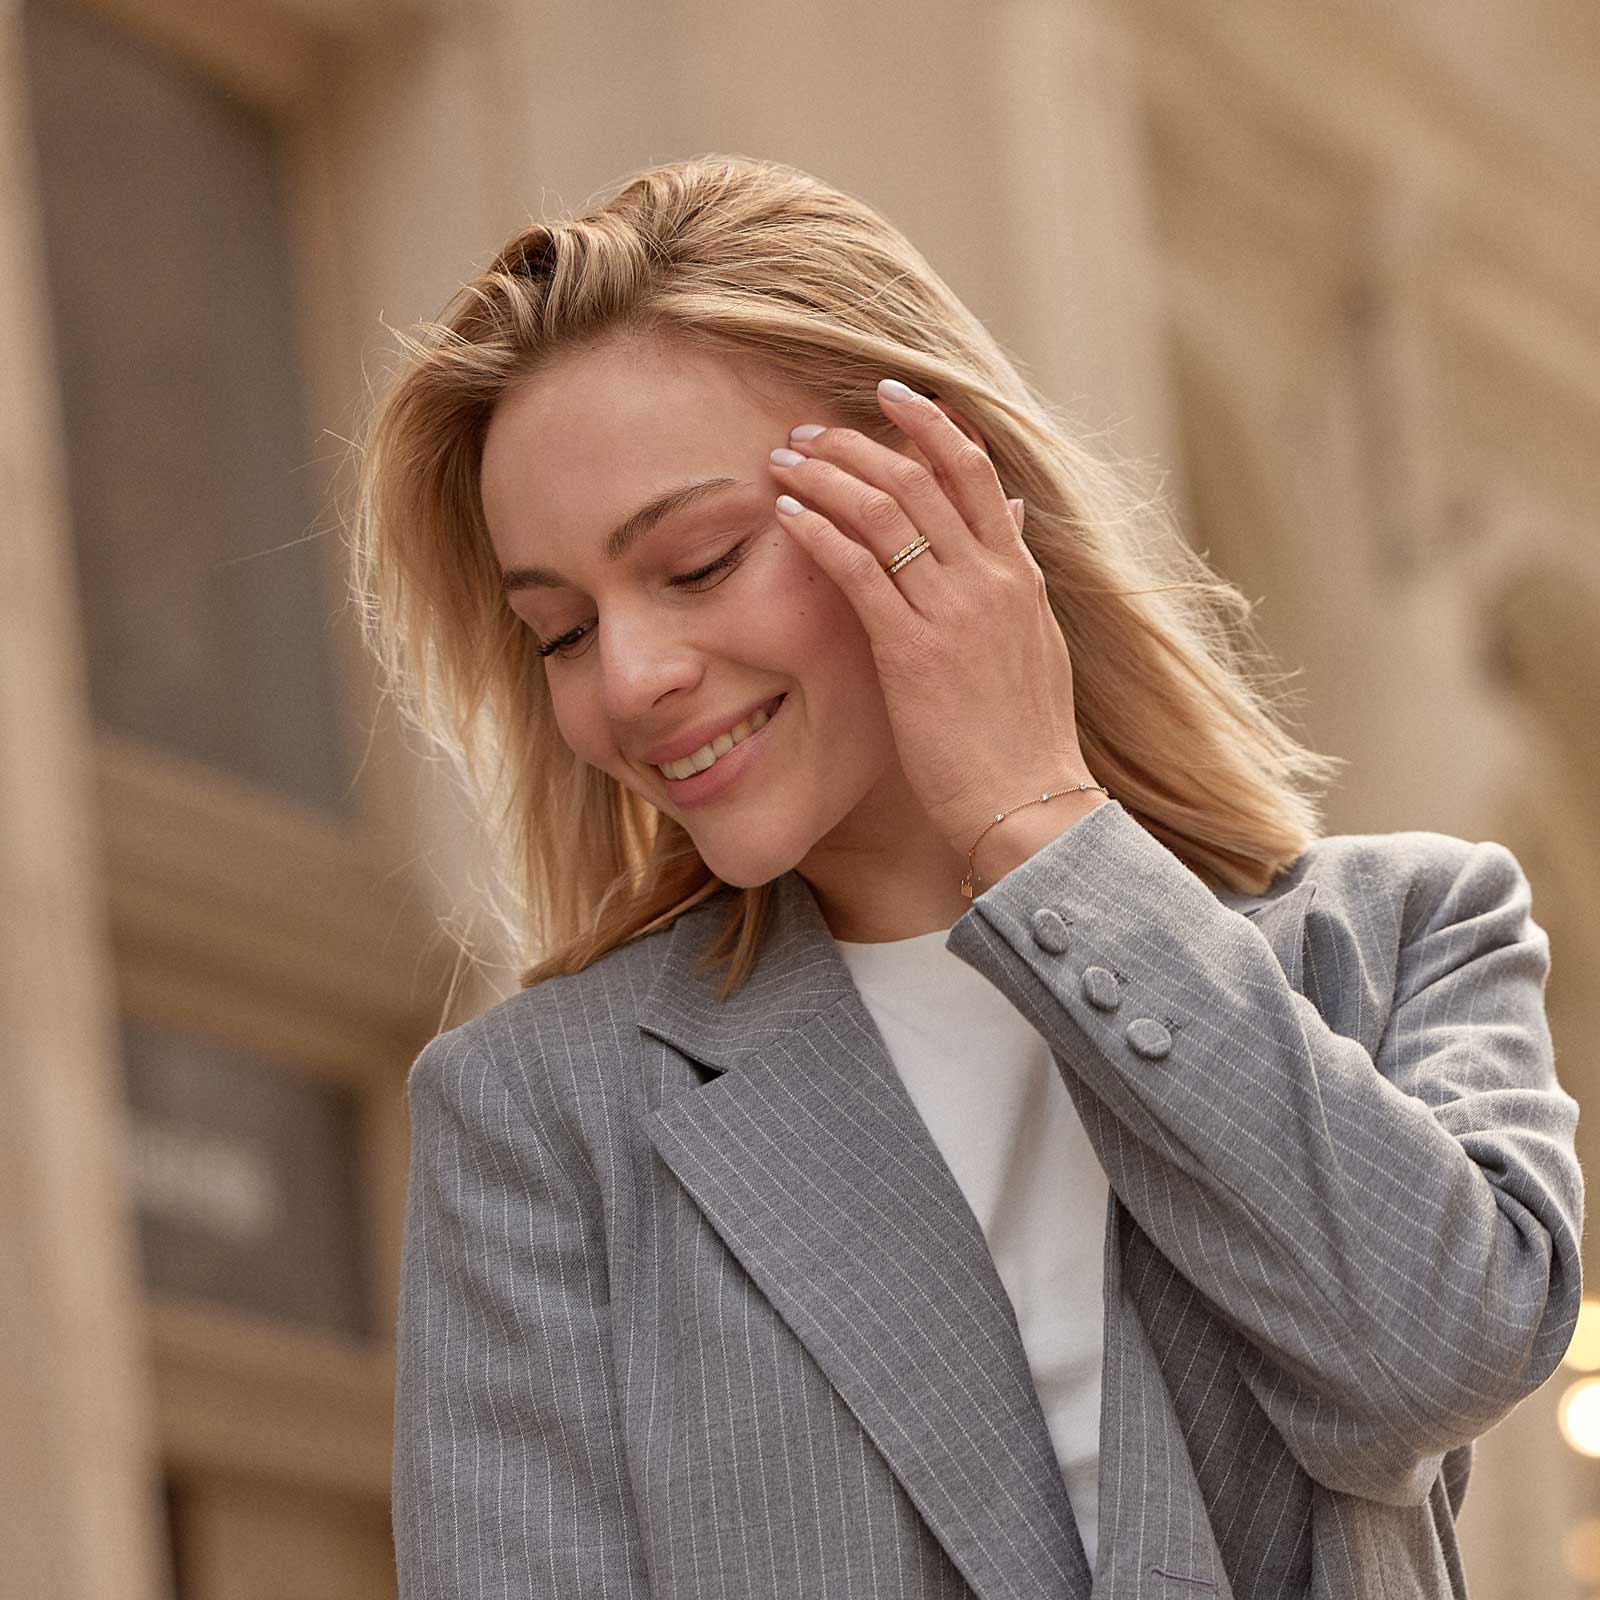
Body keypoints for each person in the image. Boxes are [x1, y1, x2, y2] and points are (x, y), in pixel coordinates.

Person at [349, 154, 1583, 1598]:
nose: (629, 678)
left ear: (942, 500)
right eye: (559, 633)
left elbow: (1430, 1356)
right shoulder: (548, 1119)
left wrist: (1040, 824)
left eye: (696, 563)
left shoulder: (1399, 937)